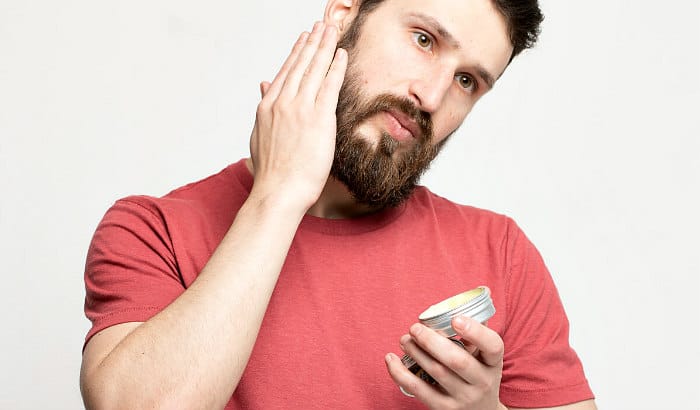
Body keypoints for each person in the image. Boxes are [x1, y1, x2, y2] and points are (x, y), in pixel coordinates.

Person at [80, 0, 596, 409]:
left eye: (467, 81)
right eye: (424, 40)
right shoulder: (153, 229)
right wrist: (279, 196)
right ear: (344, 13)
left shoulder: (500, 253)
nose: (432, 96)